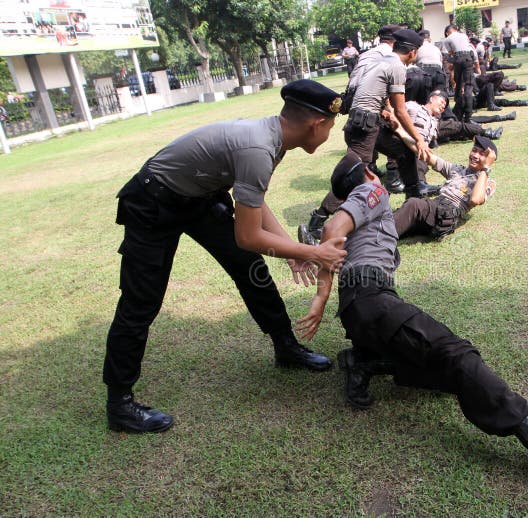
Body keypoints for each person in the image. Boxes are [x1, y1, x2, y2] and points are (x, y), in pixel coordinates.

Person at [294, 153, 528, 484]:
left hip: (357, 311)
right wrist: (319, 297)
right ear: (369, 173)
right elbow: (331, 228)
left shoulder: (359, 216)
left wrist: (324, 298)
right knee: (456, 356)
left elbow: (334, 233)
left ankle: (363, 360)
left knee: (429, 367)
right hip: (373, 300)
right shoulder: (373, 191)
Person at [103, 80, 348, 434]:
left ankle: (286, 347)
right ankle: (120, 404)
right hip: (153, 201)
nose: (330, 131)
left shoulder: (275, 140)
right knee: (141, 302)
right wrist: (312, 251)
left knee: (249, 268)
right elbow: (247, 235)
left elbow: (254, 200)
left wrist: (290, 253)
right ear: (316, 124)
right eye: (331, 125)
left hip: (199, 198)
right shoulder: (259, 147)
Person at [298, 29, 431, 246]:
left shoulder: (382, 59)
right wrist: (419, 139)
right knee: (356, 176)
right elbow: (401, 110)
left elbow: (372, 91)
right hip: (365, 127)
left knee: (403, 151)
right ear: (413, 52)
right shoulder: (397, 66)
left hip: (366, 123)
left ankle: (413, 201)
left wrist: (384, 109)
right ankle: (315, 225)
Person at [393, 135, 498, 240]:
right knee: (399, 219)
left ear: (489, 160)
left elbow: (475, 199)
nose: (475, 155)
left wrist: (486, 168)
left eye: (482, 154)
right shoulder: (457, 169)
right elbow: (427, 155)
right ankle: (382, 236)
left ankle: (382, 235)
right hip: (433, 209)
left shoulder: (488, 182)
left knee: (414, 204)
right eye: (474, 150)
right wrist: (400, 131)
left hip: (445, 214)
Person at [442, 24, 481, 122]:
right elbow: (469, 47)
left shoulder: (447, 40)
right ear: (455, 29)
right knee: (468, 85)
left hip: (457, 59)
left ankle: (458, 108)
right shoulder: (463, 36)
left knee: (458, 84)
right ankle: (468, 114)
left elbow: (452, 53)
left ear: (447, 33)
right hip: (467, 57)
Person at [416, 29, 448, 96]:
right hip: (438, 71)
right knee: (439, 94)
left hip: (424, 70)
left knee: (425, 95)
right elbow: (441, 63)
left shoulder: (417, 48)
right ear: (429, 39)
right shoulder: (435, 48)